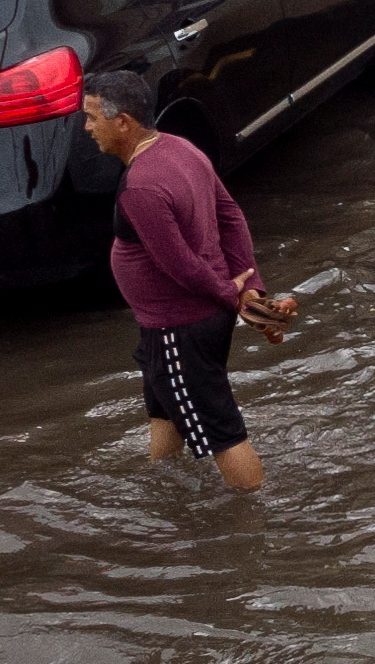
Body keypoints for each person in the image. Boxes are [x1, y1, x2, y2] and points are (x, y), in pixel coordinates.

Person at [80, 69, 288, 492]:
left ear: (122, 122)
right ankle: (163, 490)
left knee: (221, 431)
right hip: (177, 325)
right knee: (165, 409)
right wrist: (252, 289)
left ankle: (254, 521)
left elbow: (181, 266)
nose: (86, 128)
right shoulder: (182, 149)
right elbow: (231, 216)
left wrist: (236, 298)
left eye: (91, 118)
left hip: (180, 327)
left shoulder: (140, 187)